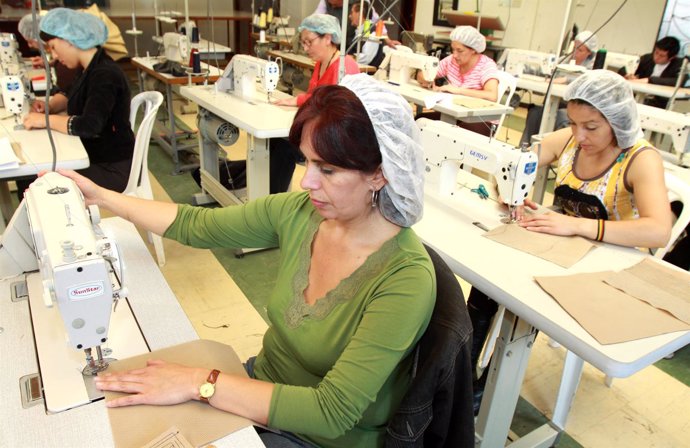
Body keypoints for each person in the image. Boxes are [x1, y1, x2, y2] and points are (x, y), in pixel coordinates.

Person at [68, 74, 435, 448]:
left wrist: (198, 382)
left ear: (379, 174)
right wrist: (103, 197)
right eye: (306, 162)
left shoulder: (405, 279)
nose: (306, 182)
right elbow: (197, 225)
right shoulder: (301, 213)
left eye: (327, 170)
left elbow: (331, 411)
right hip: (256, 385)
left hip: (317, 436)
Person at [470, 70, 673, 412]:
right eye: (574, 122)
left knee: (522, 296)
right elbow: (514, 164)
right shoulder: (569, 140)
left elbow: (658, 230)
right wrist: (508, 192)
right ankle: (459, 369)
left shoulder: (640, 159)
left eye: (591, 127)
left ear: (618, 120)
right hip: (560, 247)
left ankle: (488, 386)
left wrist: (577, 226)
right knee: (486, 281)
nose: (579, 135)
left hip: (606, 267)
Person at [22, 8, 134, 193]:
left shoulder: (105, 74)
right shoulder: (90, 68)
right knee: (34, 176)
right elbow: (70, 95)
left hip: (112, 168)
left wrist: (45, 120)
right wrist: (49, 106)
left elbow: (89, 126)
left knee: (36, 183)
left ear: (70, 41)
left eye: (54, 48)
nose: (55, 56)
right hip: (98, 157)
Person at [520, 30, 600, 146]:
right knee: (535, 112)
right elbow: (546, 70)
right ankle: (525, 147)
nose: (575, 52)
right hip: (553, 103)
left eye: (580, 50)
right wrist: (525, 68)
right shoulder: (564, 60)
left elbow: (589, 80)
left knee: (561, 116)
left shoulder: (593, 66)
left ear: (589, 52)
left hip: (574, 107)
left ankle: (555, 149)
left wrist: (566, 79)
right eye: (574, 48)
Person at [17, 12, 81, 93]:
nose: (29, 46)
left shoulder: (67, 67)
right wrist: (50, 63)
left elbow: (66, 92)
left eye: (30, 41)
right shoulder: (63, 52)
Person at [624, 36, 684, 109]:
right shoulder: (647, 58)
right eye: (656, 52)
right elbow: (624, 69)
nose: (656, 57)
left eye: (661, 56)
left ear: (672, 57)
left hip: (659, 103)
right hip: (637, 97)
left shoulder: (679, 65)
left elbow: (678, 81)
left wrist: (649, 80)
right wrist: (628, 74)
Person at [315, 0, 401, 48]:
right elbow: (316, 18)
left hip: (352, 42)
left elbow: (377, 20)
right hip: (334, 44)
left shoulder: (361, 2)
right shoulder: (325, 2)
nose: (332, 7)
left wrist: (387, 40)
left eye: (335, 4)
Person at [348, 1, 385, 68]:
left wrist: (348, 58)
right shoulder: (358, 32)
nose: (350, 16)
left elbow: (367, 57)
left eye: (352, 12)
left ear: (359, 14)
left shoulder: (373, 33)